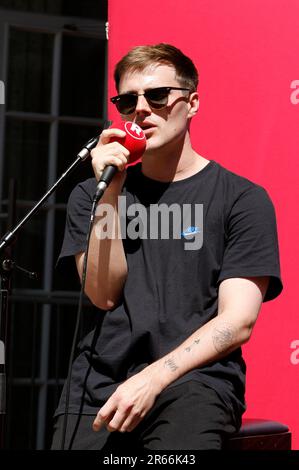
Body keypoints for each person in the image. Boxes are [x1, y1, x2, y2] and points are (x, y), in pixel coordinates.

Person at [51, 43, 282, 450]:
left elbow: (238, 321)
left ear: (191, 104)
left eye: (157, 96)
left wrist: (154, 377)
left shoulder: (241, 199)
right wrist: (112, 188)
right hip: (98, 388)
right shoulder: (94, 194)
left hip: (193, 384)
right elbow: (102, 295)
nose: (141, 109)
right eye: (127, 101)